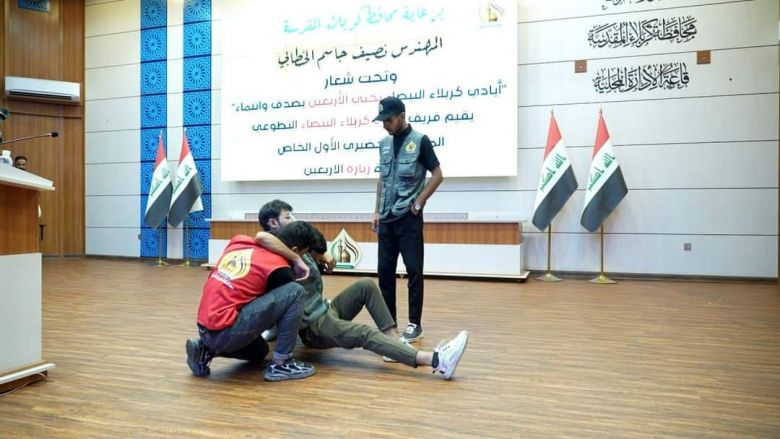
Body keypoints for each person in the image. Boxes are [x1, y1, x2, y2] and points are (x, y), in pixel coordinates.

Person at [259, 199, 468, 379]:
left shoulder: (295, 243)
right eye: (288, 217)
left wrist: (321, 254)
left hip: (326, 310)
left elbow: (313, 240)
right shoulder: (274, 256)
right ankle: (437, 361)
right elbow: (261, 238)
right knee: (365, 333)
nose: (293, 219)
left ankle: (394, 343)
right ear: (273, 223)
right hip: (314, 328)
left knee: (366, 284)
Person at [185, 221, 319, 382]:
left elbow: (261, 238)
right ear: (295, 250)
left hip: (205, 328)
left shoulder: (239, 241)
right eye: (304, 254)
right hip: (225, 331)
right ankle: (282, 363)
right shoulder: (280, 269)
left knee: (260, 352)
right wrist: (296, 264)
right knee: (295, 292)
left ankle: (205, 349)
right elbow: (275, 317)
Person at [372, 96, 444, 343]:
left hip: (408, 218)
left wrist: (419, 202)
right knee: (384, 273)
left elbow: (437, 175)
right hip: (386, 218)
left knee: (413, 270)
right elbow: (382, 180)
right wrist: (376, 211)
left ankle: (415, 324)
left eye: (389, 120)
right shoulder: (383, 144)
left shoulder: (420, 140)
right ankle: (389, 325)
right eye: (382, 121)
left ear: (402, 116)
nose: (385, 125)